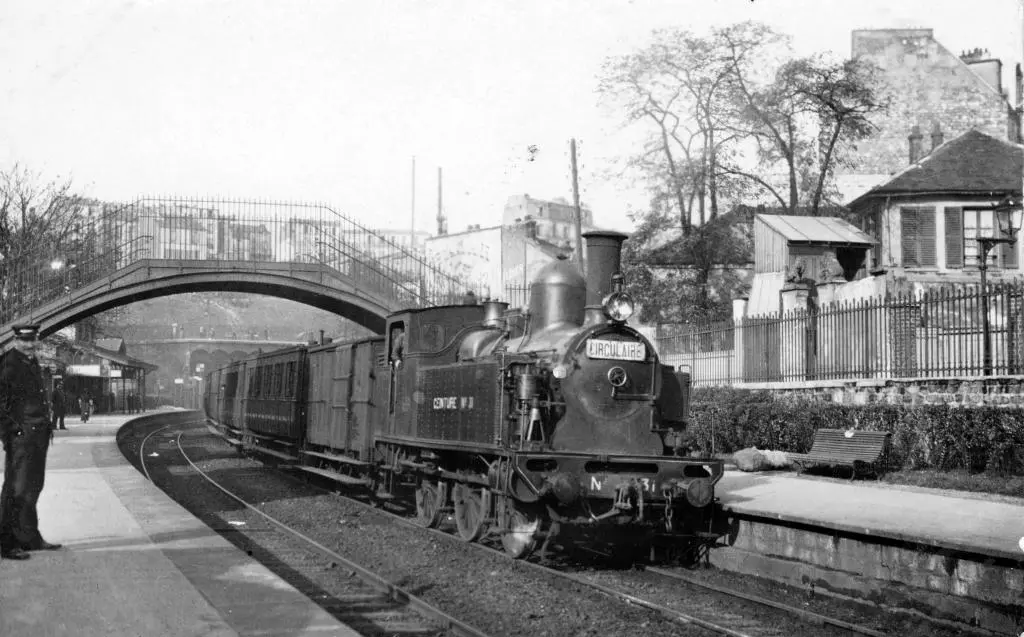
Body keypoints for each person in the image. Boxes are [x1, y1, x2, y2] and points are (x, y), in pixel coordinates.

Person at [0, 324, 63, 560]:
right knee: (16, 489)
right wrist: (11, 433)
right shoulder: (9, 364)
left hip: (37, 434)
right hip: (22, 436)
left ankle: (29, 538)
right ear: (16, 340)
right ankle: (7, 544)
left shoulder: (31, 361)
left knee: (33, 487)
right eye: (24, 340)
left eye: (32, 340)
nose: (29, 345)